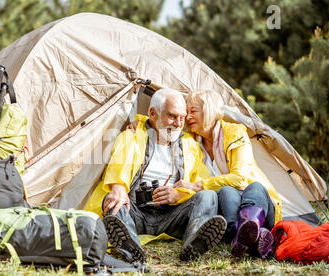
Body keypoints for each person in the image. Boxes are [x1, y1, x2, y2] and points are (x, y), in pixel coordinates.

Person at [84, 88, 227, 263]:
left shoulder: (189, 144)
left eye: (182, 118)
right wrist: (119, 188)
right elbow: (120, 162)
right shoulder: (133, 135)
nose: (178, 123)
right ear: (153, 113)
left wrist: (178, 195)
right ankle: (130, 245)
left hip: (171, 215)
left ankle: (193, 242)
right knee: (113, 202)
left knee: (208, 195)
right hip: (136, 211)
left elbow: (198, 182)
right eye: (172, 116)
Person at [174, 89, 282, 259]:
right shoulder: (191, 141)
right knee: (225, 191)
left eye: (193, 111)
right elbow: (160, 125)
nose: (187, 117)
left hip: (259, 204)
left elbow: (240, 178)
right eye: (186, 113)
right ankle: (251, 238)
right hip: (226, 210)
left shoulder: (235, 132)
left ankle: (249, 226)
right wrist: (140, 124)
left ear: (209, 110)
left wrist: (197, 185)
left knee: (255, 186)